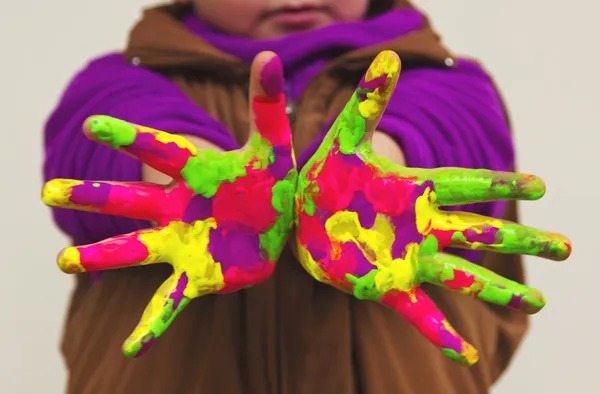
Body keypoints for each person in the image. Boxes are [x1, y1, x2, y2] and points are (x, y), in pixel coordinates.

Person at [43, 0, 529, 393]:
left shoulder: (445, 79)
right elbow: (100, 145)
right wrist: (193, 177)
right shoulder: (119, 80)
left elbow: (452, 127)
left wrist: (381, 165)